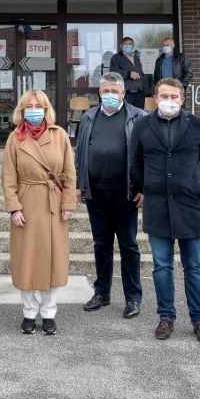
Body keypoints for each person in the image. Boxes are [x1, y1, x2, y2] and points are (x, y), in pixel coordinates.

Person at [131, 78, 200, 344]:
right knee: (161, 266)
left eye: (174, 96)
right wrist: (144, 187)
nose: (169, 101)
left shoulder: (198, 124)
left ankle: (199, 320)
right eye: (164, 96)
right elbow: (135, 162)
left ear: (182, 99)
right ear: (156, 98)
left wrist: (193, 184)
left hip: (191, 206)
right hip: (157, 206)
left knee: (194, 267)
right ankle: (166, 317)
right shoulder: (142, 125)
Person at [2, 89, 77, 336]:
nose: (34, 111)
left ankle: (48, 313)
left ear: (46, 110)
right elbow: (8, 178)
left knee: (53, 261)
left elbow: (70, 174)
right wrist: (14, 207)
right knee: (26, 261)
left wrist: (68, 204)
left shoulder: (60, 135)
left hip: (53, 204)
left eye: (38, 106)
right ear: (22, 111)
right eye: (29, 106)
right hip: (26, 204)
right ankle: (29, 312)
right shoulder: (15, 138)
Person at [74, 72, 146, 319]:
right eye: (106, 91)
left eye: (115, 91)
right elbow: (80, 153)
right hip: (96, 192)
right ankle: (102, 292)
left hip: (126, 194)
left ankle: (133, 297)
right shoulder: (88, 117)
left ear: (123, 93)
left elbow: (146, 156)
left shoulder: (138, 117)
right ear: (99, 92)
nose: (110, 95)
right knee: (101, 244)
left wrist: (143, 188)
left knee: (128, 245)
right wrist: (79, 184)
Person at [109, 37, 146, 109]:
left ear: (133, 46)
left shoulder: (136, 57)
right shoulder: (116, 58)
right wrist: (129, 74)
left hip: (139, 93)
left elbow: (140, 72)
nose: (128, 46)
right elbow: (113, 74)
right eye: (125, 44)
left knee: (139, 114)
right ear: (121, 46)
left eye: (130, 44)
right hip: (126, 93)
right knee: (126, 113)